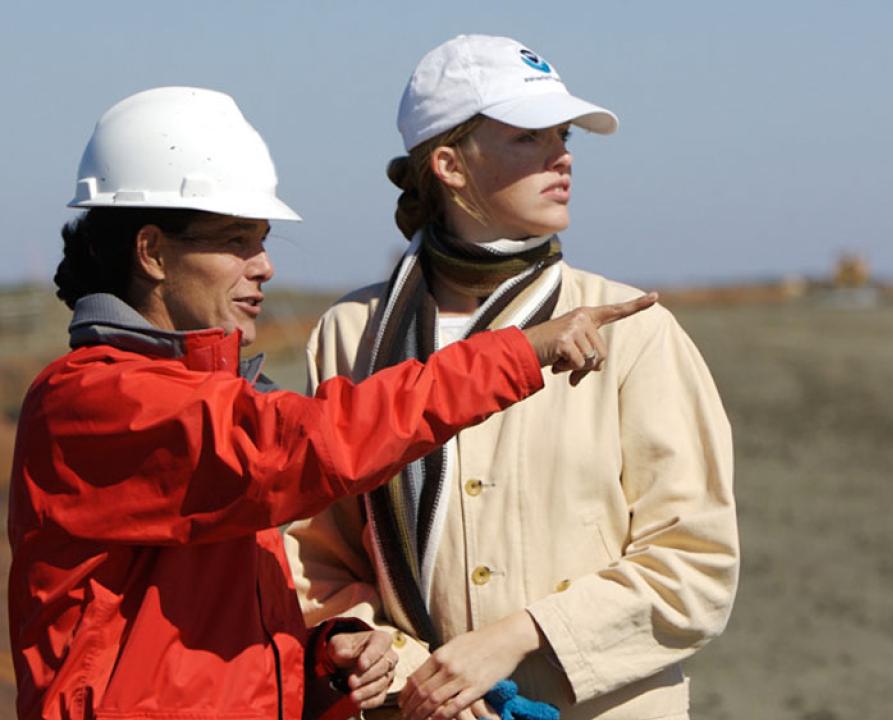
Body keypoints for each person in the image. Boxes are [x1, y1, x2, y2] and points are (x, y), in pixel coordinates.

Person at [6, 86, 656, 720]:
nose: (264, 267)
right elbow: (307, 446)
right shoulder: (91, 401)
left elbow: (193, 642)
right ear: (151, 251)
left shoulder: (205, 401)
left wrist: (319, 666)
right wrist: (517, 353)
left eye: (262, 240)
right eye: (236, 241)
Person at [284, 35, 739, 720]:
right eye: (529, 137)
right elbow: (316, 561)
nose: (563, 156)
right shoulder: (352, 334)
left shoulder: (635, 330)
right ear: (448, 164)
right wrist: (411, 670)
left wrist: (517, 638)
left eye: (563, 135)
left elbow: (696, 565)